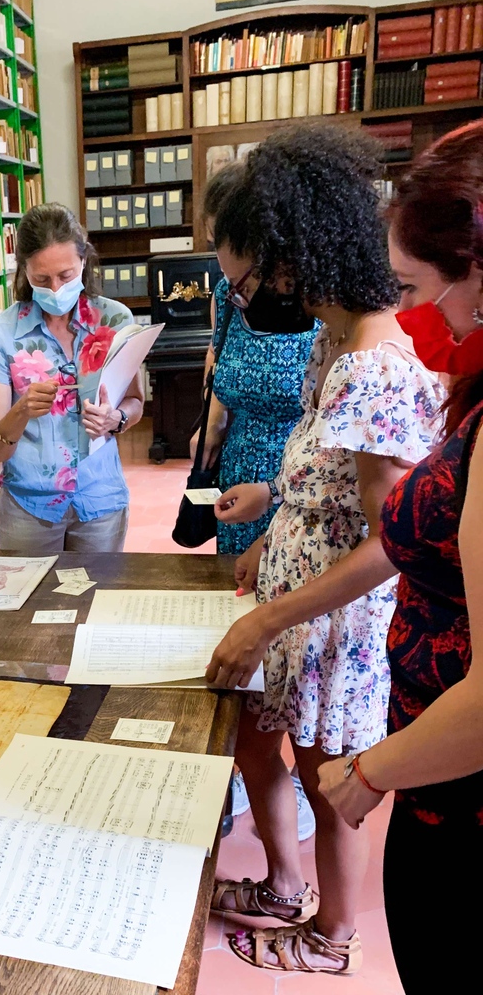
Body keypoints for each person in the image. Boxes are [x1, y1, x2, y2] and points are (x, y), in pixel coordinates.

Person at [203, 126, 444, 974]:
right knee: (259, 744)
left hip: (333, 628)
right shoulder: (331, 346)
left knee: (327, 780)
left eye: (244, 280)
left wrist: (270, 614)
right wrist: (271, 521)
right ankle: (281, 884)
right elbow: (326, 480)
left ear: (291, 258)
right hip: (297, 609)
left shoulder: (375, 367)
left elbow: (392, 542)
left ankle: (333, 936)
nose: (242, 300)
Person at [318, 120, 483, 994]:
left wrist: (368, 772)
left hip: (460, 802)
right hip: (438, 780)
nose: (432, 317)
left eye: (430, 287)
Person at [196, 160, 318, 841]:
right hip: (244, 471)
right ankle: (247, 766)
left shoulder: (311, 310)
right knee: (239, 620)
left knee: (289, 642)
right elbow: (220, 371)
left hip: (299, 478)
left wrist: (279, 490)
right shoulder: (229, 294)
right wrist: (208, 435)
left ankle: (289, 775)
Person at [0, 203, 144, 554]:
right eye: (41, 279)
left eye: (66, 276)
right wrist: (20, 411)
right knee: (28, 605)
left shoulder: (115, 320)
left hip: (100, 498)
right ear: (24, 271)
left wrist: (116, 419)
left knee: (99, 601)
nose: (55, 289)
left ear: (84, 261)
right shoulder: (2, 334)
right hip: (28, 506)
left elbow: (135, 403)